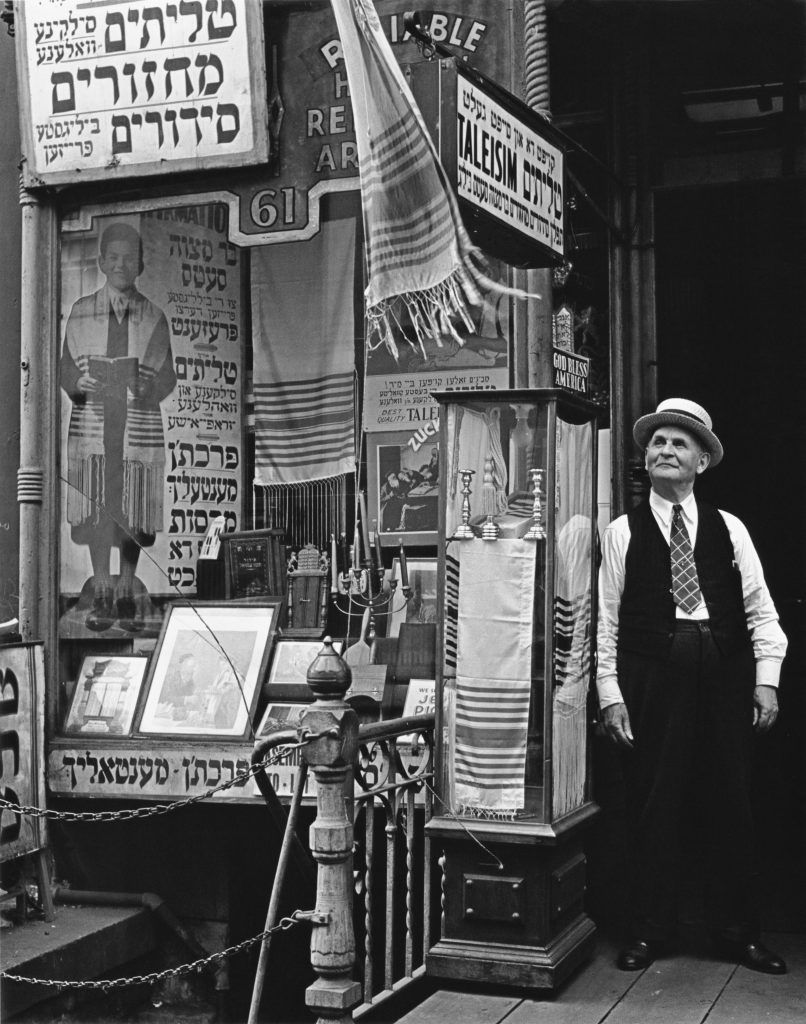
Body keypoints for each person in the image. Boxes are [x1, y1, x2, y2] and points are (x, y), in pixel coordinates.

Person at [597, 398, 788, 975]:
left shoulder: (731, 529)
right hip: (653, 675)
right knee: (655, 803)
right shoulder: (622, 532)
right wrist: (611, 694)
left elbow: (762, 613)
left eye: (680, 443)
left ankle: (737, 933)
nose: (665, 451)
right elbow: (605, 621)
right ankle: (651, 932)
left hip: (723, 673)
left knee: (729, 802)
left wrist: (766, 682)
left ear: (702, 461)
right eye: (658, 442)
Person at [61, 222, 176, 633]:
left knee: (133, 505)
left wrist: (147, 387)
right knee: (96, 503)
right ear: (101, 262)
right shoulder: (81, 310)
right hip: (96, 425)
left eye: (129, 258)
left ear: (141, 263)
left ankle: (128, 585)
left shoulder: (153, 316)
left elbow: (169, 378)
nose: (121, 264)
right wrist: (79, 382)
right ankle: (104, 588)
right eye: (114, 257)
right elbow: (65, 367)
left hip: (135, 422)